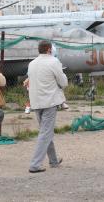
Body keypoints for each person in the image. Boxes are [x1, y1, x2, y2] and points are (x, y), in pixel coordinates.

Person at [28, 40, 68, 173]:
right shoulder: (54, 62)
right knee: (45, 133)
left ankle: (53, 161)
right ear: (49, 49)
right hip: (49, 101)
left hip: (36, 102)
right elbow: (63, 82)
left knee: (46, 132)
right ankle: (35, 164)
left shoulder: (32, 63)